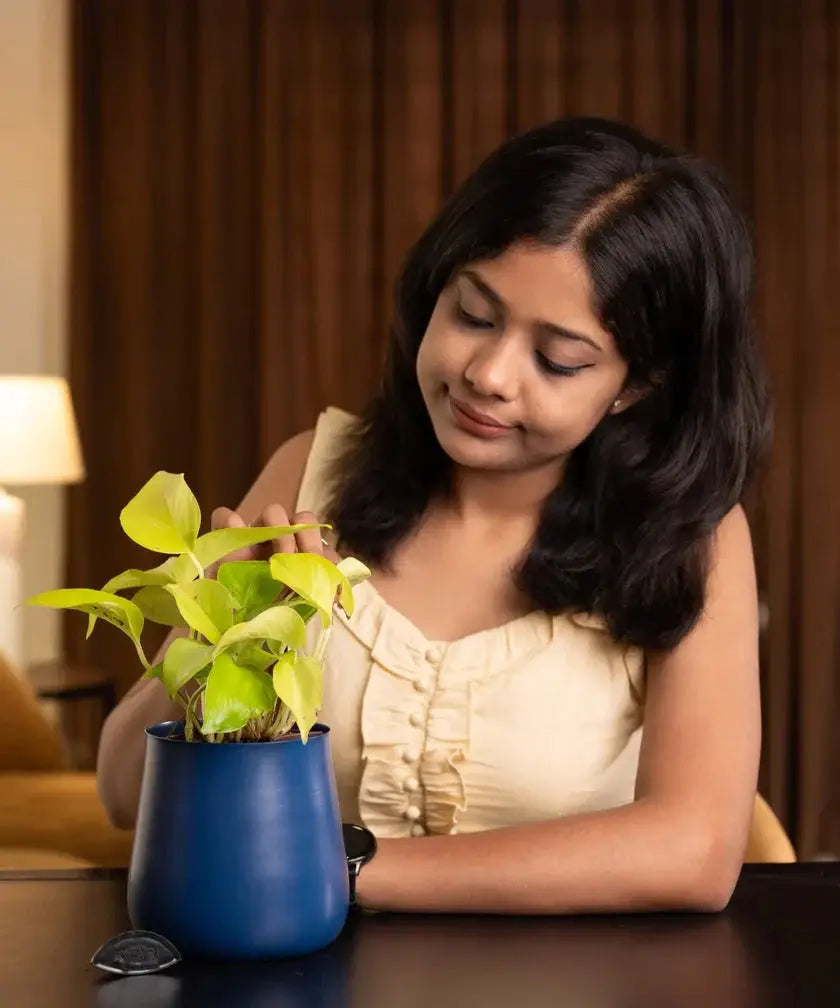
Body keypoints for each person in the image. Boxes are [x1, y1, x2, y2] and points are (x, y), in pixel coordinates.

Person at [97, 116, 769, 915]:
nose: (488, 374)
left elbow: (693, 851)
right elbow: (121, 794)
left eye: (557, 360)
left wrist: (339, 865)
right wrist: (217, 647)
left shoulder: (693, 537)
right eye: (474, 316)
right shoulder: (312, 473)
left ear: (635, 384)